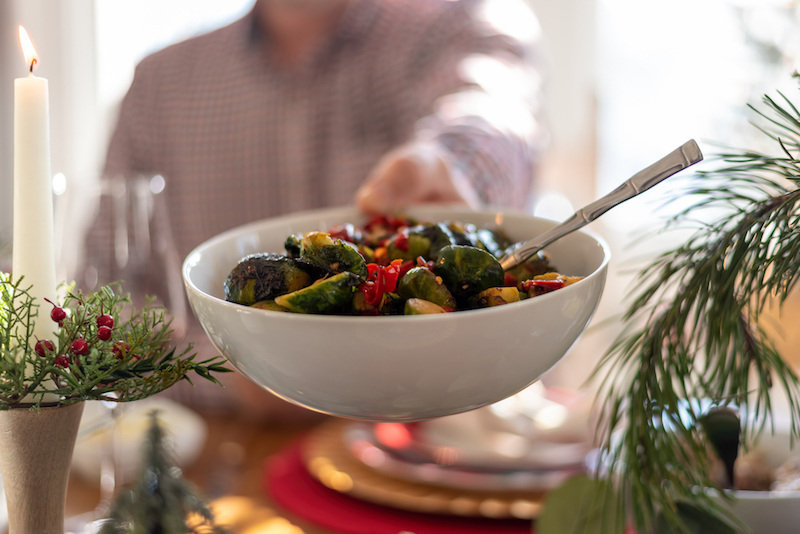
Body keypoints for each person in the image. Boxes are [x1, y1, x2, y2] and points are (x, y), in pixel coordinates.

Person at [101, 0, 544, 420]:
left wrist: (452, 167)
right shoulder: (158, 87)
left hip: (447, 446)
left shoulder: (457, 20)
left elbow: (491, 109)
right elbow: (99, 300)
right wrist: (231, 368)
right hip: (232, 460)